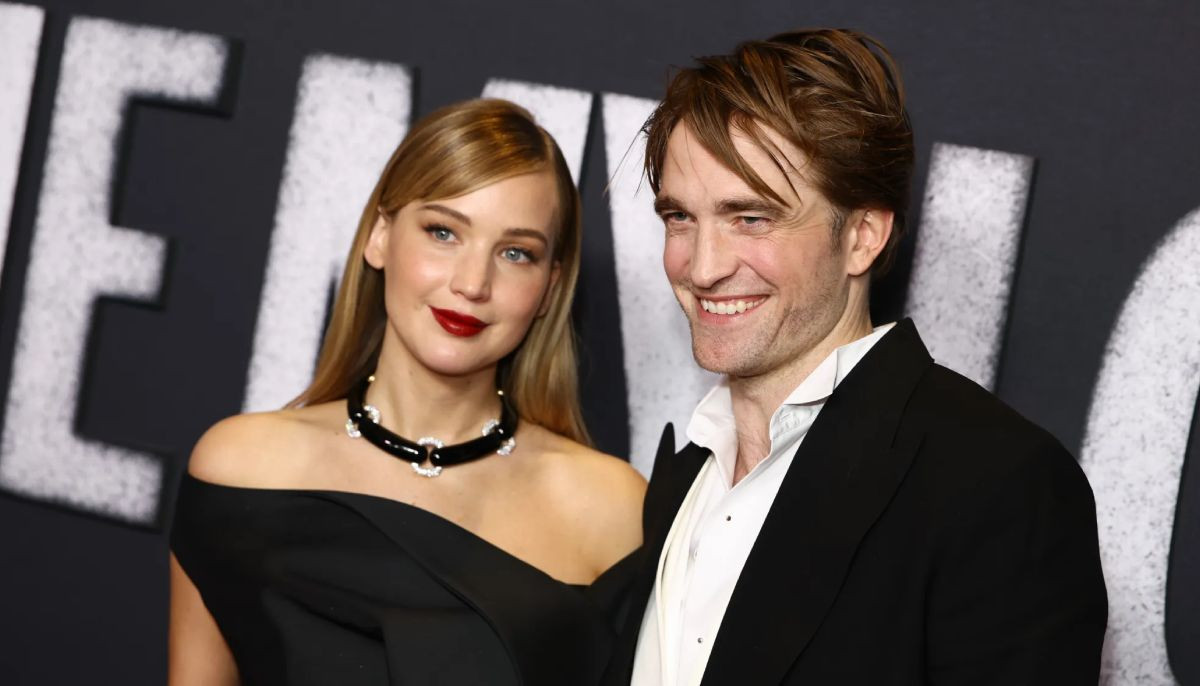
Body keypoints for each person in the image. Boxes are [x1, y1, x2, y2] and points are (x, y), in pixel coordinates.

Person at [604, 29, 1107, 685]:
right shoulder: (686, 473)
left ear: (863, 236)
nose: (701, 267)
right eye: (680, 218)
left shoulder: (998, 487)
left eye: (751, 218)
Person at [168, 99, 646, 686]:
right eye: (443, 232)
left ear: (549, 289)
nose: (472, 283)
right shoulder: (240, 470)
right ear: (379, 236)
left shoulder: (609, 510)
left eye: (515, 253)